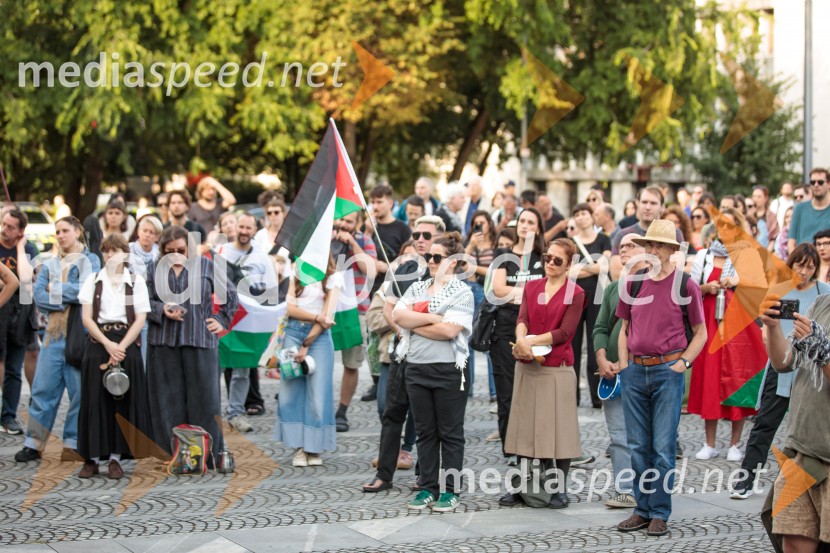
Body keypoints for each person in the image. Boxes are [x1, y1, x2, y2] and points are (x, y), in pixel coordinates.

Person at [615, 219, 706, 537]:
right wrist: (624, 363)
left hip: (668, 372)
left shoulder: (686, 285)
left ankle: (659, 512)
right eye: (649, 244)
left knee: (663, 447)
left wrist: (683, 363)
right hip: (635, 372)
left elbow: (701, 333)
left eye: (658, 245)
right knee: (638, 446)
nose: (652, 250)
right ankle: (641, 509)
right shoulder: (633, 282)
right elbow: (624, 329)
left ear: (671, 250)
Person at [731, 243, 828, 500]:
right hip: (782, 363)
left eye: (810, 267)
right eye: (800, 265)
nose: (805, 272)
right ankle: (746, 478)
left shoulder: (823, 293)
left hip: (812, 368)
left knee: (807, 427)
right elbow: (766, 330)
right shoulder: (778, 291)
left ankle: (806, 484)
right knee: (765, 426)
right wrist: (772, 332)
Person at [499, 239, 587, 509]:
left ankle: (559, 489)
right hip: (528, 364)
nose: (550, 263)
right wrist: (522, 339)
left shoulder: (577, 293)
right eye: (547, 257)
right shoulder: (532, 286)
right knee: (523, 428)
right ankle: (522, 488)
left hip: (557, 367)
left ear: (569, 264)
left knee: (559, 430)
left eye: (557, 260)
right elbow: (522, 319)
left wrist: (530, 341)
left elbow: (565, 333)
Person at [362, 216, 444, 493]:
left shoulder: (447, 272)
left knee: (428, 419)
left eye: (427, 235)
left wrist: (413, 323)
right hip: (401, 352)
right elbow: (389, 310)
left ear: (440, 240)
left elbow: (443, 317)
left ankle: (425, 475)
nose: (420, 239)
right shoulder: (406, 267)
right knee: (392, 414)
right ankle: (384, 475)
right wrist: (405, 329)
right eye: (417, 234)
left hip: (432, 357)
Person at [393, 232, 474, 511]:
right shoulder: (417, 287)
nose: (431, 261)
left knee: (450, 433)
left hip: (449, 370)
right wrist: (431, 317)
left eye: (437, 257)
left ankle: (451, 491)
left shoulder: (462, 292)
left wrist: (415, 321)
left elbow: (450, 330)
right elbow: (397, 315)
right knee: (425, 432)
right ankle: (427, 487)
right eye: (428, 256)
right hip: (416, 368)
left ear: (452, 262)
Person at [145, 225, 237, 462]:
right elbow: (143, 302)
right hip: (163, 343)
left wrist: (220, 319)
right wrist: (161, 309)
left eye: (181, 249)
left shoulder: (206, 265)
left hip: (200, 340)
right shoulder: (153, 269)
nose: (176, 254)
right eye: (170, 251)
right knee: (167, 402)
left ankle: (209, 454)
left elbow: (231, 294)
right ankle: (173, 454)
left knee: (206, 401)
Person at [15, 216, 100, 461]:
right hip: (52, 335)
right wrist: (65, 294)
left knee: (79, 393)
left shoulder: (91, 260)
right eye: (57, 232)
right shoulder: (51, 263)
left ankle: (73, 443)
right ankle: (34, 443)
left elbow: (88, 291)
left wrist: (57, 290)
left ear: (77, 231)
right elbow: (39, 297)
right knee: (43, 390)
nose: (60, 235)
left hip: (79, 335)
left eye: (64, 231)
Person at [688, 208, 765, 462]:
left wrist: (738, 282)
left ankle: (735, 443)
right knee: (709, 380)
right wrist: (706, 287)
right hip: (709, 326)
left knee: (737, 380)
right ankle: (709, 443)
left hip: (739, 329)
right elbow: (688, 291)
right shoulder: (705, 256)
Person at [760, 287, 830, 552]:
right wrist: (773, 327)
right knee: (794, 539)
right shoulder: (822, 304)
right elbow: (784, 362)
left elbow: (819, 355)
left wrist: (822, 354)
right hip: (803, 449)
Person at [76, 234, 152, 479]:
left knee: (121, 402)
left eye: (115, 251)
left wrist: (121, 347)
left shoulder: (136, 282)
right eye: (106, 251)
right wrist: (108, 344)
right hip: (99, 341)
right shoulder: (93, 280)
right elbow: (87, 318)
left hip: (126, 341)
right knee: (93, 400)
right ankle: (91, 458)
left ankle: (116, 459)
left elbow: (140, 318)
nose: (110, 256)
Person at [593, 233, 646, 509]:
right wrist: (601, 357)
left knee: (644, 435)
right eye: (621, 246)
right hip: (612, 372)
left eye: (630, 245)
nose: (623, 249)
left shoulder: (655, 286)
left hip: (643, 370)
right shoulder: (614, 288)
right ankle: (624, 489)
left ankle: (648, 490)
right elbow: (600, 327)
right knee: (618, 435)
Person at [490, 208, 546, 465]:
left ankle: (532, 444)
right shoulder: (504, 255)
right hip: (505, 329)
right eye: (522, 221)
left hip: (536, 330)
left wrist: (518, 293)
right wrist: (529, 293)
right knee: (507, 391)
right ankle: (510, 447)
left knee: (535, 389)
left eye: (531, 222)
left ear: (538, 228)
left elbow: (550, 291)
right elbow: (498, 289)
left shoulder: (542, 257)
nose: (525, 226)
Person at [276, 255, 340, 467]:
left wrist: (306, 344)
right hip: (293, 332)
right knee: (290, 392)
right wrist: (316, 317)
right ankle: (298, 447)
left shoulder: (333, 277)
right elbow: (291, 308)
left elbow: (327, 316)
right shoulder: (295, 271)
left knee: (317, 392)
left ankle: (314, 447)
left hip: (319, 337)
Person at [216, 213, 275, 433]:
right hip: (223, 320)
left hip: (247, 322)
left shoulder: (262, 257)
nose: (243, 231)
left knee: (241, 370)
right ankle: (211, 413)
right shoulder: (221, 252)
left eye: (248, 228)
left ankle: (235, 413)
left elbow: (269, 292)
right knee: (216, 368)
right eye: (241, 226)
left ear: (254, 230)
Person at [332, 210, 377, 432]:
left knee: (351, 363)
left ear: (358, 224)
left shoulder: (364, 240)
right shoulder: (325, 238)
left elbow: (370, 270)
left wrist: (352, 243)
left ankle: (342, 411)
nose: (344, 224)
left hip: (355, 310)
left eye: (349, 221)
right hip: (325, 310)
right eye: (341, 219)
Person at [570, 203, 612, 408]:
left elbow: (605, 265)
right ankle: (572, 396)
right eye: (576, 214)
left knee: (596, 344)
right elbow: (569, 273)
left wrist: (581, 268)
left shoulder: (603, 239)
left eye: (583, 213)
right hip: (575, 297)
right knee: (574, 346)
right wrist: (592, 268)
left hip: (597, 297)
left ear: (591, 216)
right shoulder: (571, 242)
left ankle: (597, 396)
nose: (580, 217)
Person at [0, 208, 36, 435]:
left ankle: (8, 416)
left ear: (21, 231)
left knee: (14, 367)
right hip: (2, 309)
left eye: (11, 227)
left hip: (21, 312)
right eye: (3, 224)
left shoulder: (29, 248)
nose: (4, 230)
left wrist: (21, 246)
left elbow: (25, 279)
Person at [611, 186, 684, 280]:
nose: (648, 207)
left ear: (662, 207)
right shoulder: (623, 234)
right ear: (637, 204)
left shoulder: (674, 233)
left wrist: (634, 265)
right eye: (644, 202)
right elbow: (616, 273)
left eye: (653, 203)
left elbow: (677, 267)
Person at [464, 210, 497, 397]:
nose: (479, 226)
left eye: (482, 222)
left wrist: (476, 268)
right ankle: (468, 388)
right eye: (476, 223)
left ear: (489, 224)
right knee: (470, 338)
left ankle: (494, 391)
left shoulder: (496, 245)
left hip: (491, 292)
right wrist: (470, 245)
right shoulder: (471, 245)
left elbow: (495, 270)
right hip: (473, 290)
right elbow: (460, 266)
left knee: (489, 339)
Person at [367, 184, 411, 294]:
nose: (375, 206)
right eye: (372, 202)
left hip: (389, 287)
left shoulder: (403, 229)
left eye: (379, 202)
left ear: (390, 203)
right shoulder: (367, 225)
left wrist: (388, 267)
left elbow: (409, 260)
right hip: (366, 286)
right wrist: (368, 231)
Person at [789, 169, 830, 252]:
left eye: (820, 182)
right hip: (803, 260)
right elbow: (791, 241)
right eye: (812, 182)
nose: (816, 185)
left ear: (828, 184)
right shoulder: (799, 208)